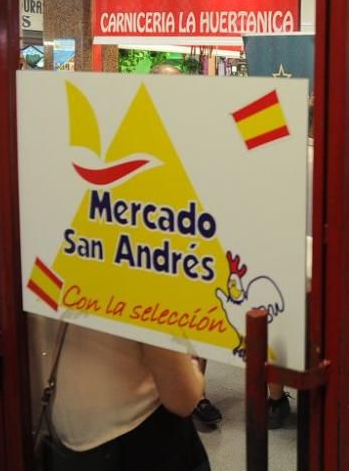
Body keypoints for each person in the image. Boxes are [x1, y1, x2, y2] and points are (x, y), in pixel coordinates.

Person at [147, 59, 222, 428]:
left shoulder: (198, 131)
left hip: (195, 237)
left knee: (199, 319)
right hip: (153, 239)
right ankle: (160, 389)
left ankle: (199, 394)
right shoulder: (139, 131)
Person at [36, 319, 209, 470]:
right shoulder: (144, 284)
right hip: (141, 441)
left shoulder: (22, 282)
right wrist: (193, 366)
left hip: (65, 436)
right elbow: (181, 398)